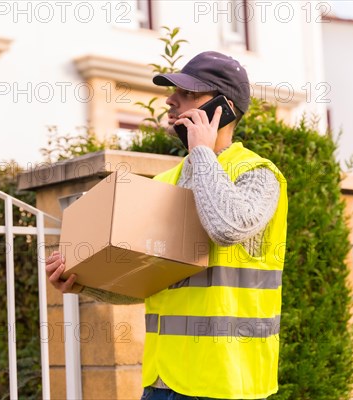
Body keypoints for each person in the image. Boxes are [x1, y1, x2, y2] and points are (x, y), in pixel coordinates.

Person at [46, 51, 288, 400]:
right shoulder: (165, 181)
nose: (171, 100)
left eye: (189, 94)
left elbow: (228, 227)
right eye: (174, 92)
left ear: (225, 108)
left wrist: (202, 152)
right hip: (162, 382)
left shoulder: (258, 174)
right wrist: (82, 283)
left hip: (226, 381)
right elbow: (144, 280)